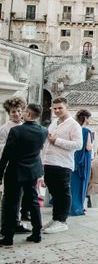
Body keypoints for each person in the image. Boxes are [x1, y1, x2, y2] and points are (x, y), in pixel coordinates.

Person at [0, 104, 47, 245]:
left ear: (28, 114)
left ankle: (8, 237)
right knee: (33, 202)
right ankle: (37, 234)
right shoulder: (43, 131)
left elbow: (6, 154)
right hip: (32, 171)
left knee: (11, 203)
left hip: (15, 171)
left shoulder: (16, 131)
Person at [42, 97, 83, 234]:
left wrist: (57, 141)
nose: (57, 110)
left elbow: (78, 145)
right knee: (54, 192)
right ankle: (55, 218)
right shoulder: (54, 123)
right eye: (55, 108)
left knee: (62, 192)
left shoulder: (74, 125)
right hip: (49, 162)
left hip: (62, 163)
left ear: (67, 107)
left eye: (60, 108)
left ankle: (62, 221)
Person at [0, 97, 31, 235]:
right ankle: (5, 225)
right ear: (9, 113)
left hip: (25, 166)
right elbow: (2, 149)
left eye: (19, 111)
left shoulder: (26, 125)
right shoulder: (5, 129)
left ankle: (16, 222)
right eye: (13, 112)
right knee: (8, 198)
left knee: (20, 197)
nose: (17, 114)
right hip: (11, 166)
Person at [69, 109, 93, 216]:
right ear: (86, 118)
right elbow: (88, 147)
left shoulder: (74, 129)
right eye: (89, 118)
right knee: (81, 184)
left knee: (73, 184)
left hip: (74, 159)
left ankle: (72, 206)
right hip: (84, 160)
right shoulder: (86, 131)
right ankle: (78, 207)